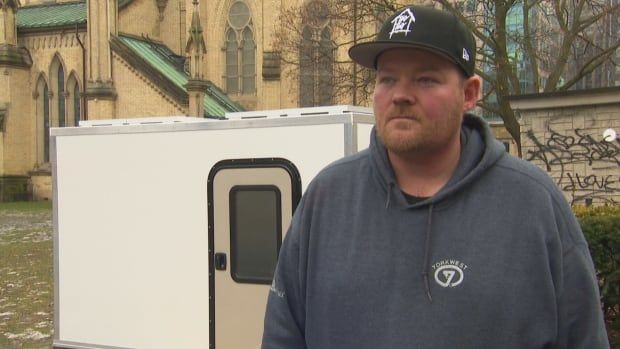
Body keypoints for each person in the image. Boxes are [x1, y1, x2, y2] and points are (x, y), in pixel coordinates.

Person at [262, 5, 609, 349]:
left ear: (469, 94)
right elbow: (283, 334)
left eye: (426, 79)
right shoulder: (327, 198)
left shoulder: (534, 205)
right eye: (387, 79)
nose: (400, 95)